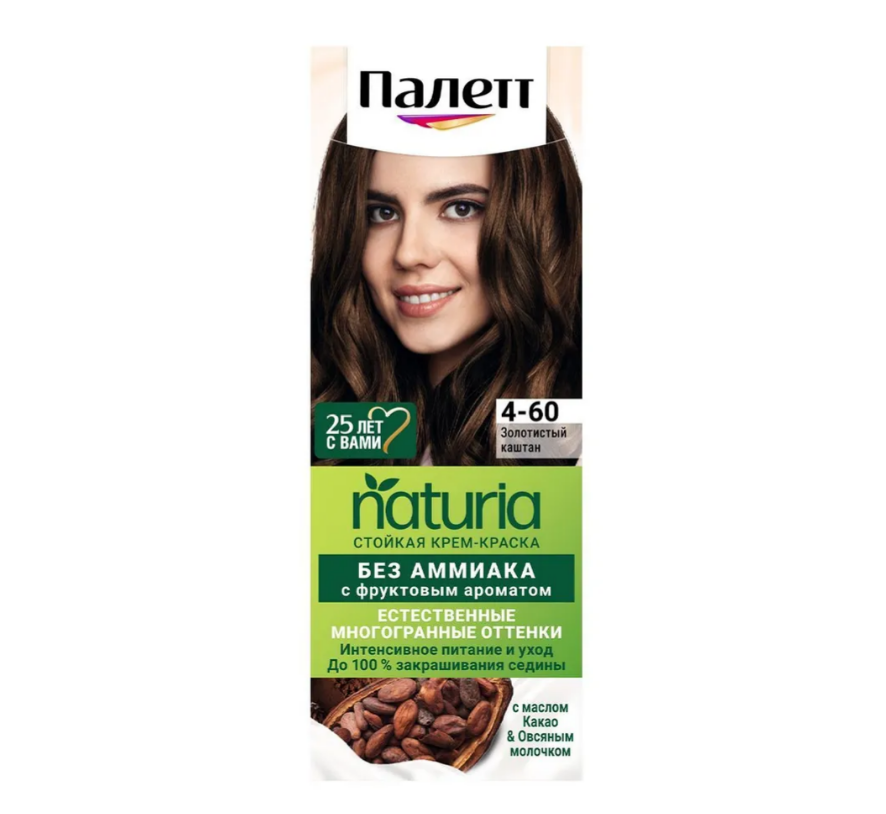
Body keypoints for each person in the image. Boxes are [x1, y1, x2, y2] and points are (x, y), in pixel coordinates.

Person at [312, 108, 581, 466]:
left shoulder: (571, 434)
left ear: (540, 221)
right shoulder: (335, 416)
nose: (409, 253)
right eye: (382, 213)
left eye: (461, 208)